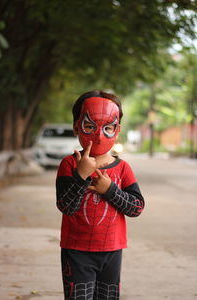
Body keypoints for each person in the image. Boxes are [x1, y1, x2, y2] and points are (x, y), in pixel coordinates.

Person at [56, 90, 145, 300]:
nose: (98, 135)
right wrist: (81, 175)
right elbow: (66, 206)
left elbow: (137, 207)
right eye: (89, 126)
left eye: (108, 128)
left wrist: (110, 190)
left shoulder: (123, 168)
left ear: (117, 129)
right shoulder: (69, 165)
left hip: (112, 250)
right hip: (76, 251)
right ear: (77, 126)